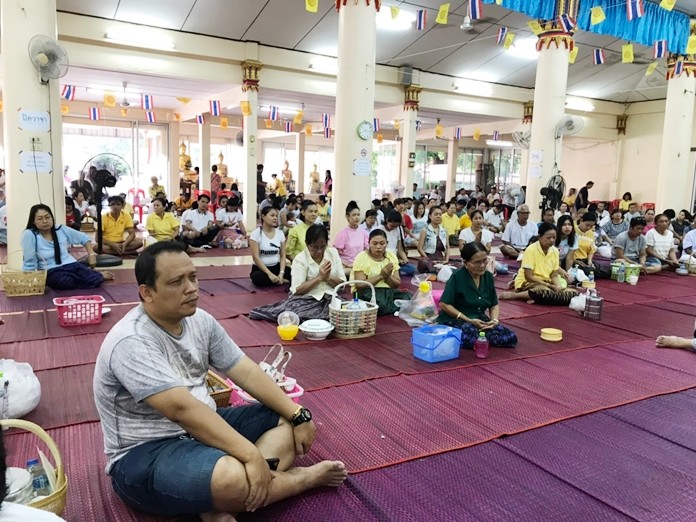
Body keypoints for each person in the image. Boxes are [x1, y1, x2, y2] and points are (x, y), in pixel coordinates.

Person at [93, 241, 347, 519]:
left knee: (286, 422)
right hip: (145, 454)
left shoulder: (201, 321)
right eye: (177, 282)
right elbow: (181, 410)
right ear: (147, 293)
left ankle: (217, 501)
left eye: (193, 277)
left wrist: (299, 413)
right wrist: (250, 455)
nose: (191, 288)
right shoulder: (132, 340)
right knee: (232, 479)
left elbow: (246, 371)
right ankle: (300, 480)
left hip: (204, 428)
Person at [250, 225, 346, 322]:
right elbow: (297, 290)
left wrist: (328, 277)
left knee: (349, 310)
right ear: (307, 244)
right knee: (292, 313)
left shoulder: (333, 253)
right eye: (315, 247)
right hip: (307, 299)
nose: (319, 251)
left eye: (323, 246)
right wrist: (319, 278)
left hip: (331, 298)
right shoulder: (300, 259)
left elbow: (342, 285)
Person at [437, 242, 517, 350]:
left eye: (485, 260)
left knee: (510, 337)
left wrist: (494, 321)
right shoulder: (457, 277)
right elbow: (444, 304)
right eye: (477, 262)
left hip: (478, 319)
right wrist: (468, 320)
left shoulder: (488, 277)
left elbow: (494, 304)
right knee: (471, 335)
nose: (483, 265)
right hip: (458, 319)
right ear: (466, 263)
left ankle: (480, 340)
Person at [21, 204, 113, 289]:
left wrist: (91, 255)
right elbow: (29, 261)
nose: (45, 221)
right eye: (40, 218)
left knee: (91, 278)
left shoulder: (61, 229)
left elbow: (84, 238)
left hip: (71, 265)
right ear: (33, 221)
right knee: (64, 281)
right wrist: (28, 281)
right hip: (51, 270)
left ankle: (92, 276)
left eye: (47, 217)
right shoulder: (30, 234)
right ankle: (91, 277)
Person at [501, 223, 576, 306]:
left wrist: (558, 287)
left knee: (573, 294)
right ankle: (516, 295)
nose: (551, 240)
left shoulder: (555, 251)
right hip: (529, 283)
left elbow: (554, 276)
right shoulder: (531, 249)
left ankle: (536, 297)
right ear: (540, 237)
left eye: (554, 237)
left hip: (547, 284)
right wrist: (549, 286)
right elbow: (529, 277)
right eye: (548, 238)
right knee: (542, 291)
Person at [351, 229, 411, 315]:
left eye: (382, 243)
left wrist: (387, 276)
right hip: (368, 292)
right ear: (369, 243)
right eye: (374, 243)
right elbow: (359, 285)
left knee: (409, 297)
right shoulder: (362, 257)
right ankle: (391, 308)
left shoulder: (391, 256)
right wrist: (380, 276)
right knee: (380, 303)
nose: (378, 247)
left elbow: (396, 284)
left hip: (388, 292)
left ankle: (386, 308)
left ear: (387, 243)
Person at [249, 206, 291, 287]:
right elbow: (256, 258)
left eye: (276, 216)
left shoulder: (280, 233)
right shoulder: (256, 233)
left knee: (293, 273)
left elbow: (283, 255)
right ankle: (278, 280)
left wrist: (281, 273)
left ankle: (278, 279)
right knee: (257, 278)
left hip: (276, 267)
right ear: (263, 216)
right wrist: (269, 274)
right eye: (272, 215)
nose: (275, 218)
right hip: (261, 269)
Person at [333, 201, 368, 275]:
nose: (357, 217)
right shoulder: (342, 234)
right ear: (347, 216)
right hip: (346, 267)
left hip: (360, 266)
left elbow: (366, 251)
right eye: (354, 215)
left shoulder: (364, 232)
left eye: (358, 215)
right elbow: (335, 255)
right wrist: (347, 265)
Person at [379, 211, 414, 276]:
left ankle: (394, 272)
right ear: (387, 220)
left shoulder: (398, 228)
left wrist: (406, 261)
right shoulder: (379, 230)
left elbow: (400, 249)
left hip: (394, 260)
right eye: (392, 226)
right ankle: (394, 272)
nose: (394, 228)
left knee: (412, 268)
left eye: (396, 226)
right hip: (383, 259)